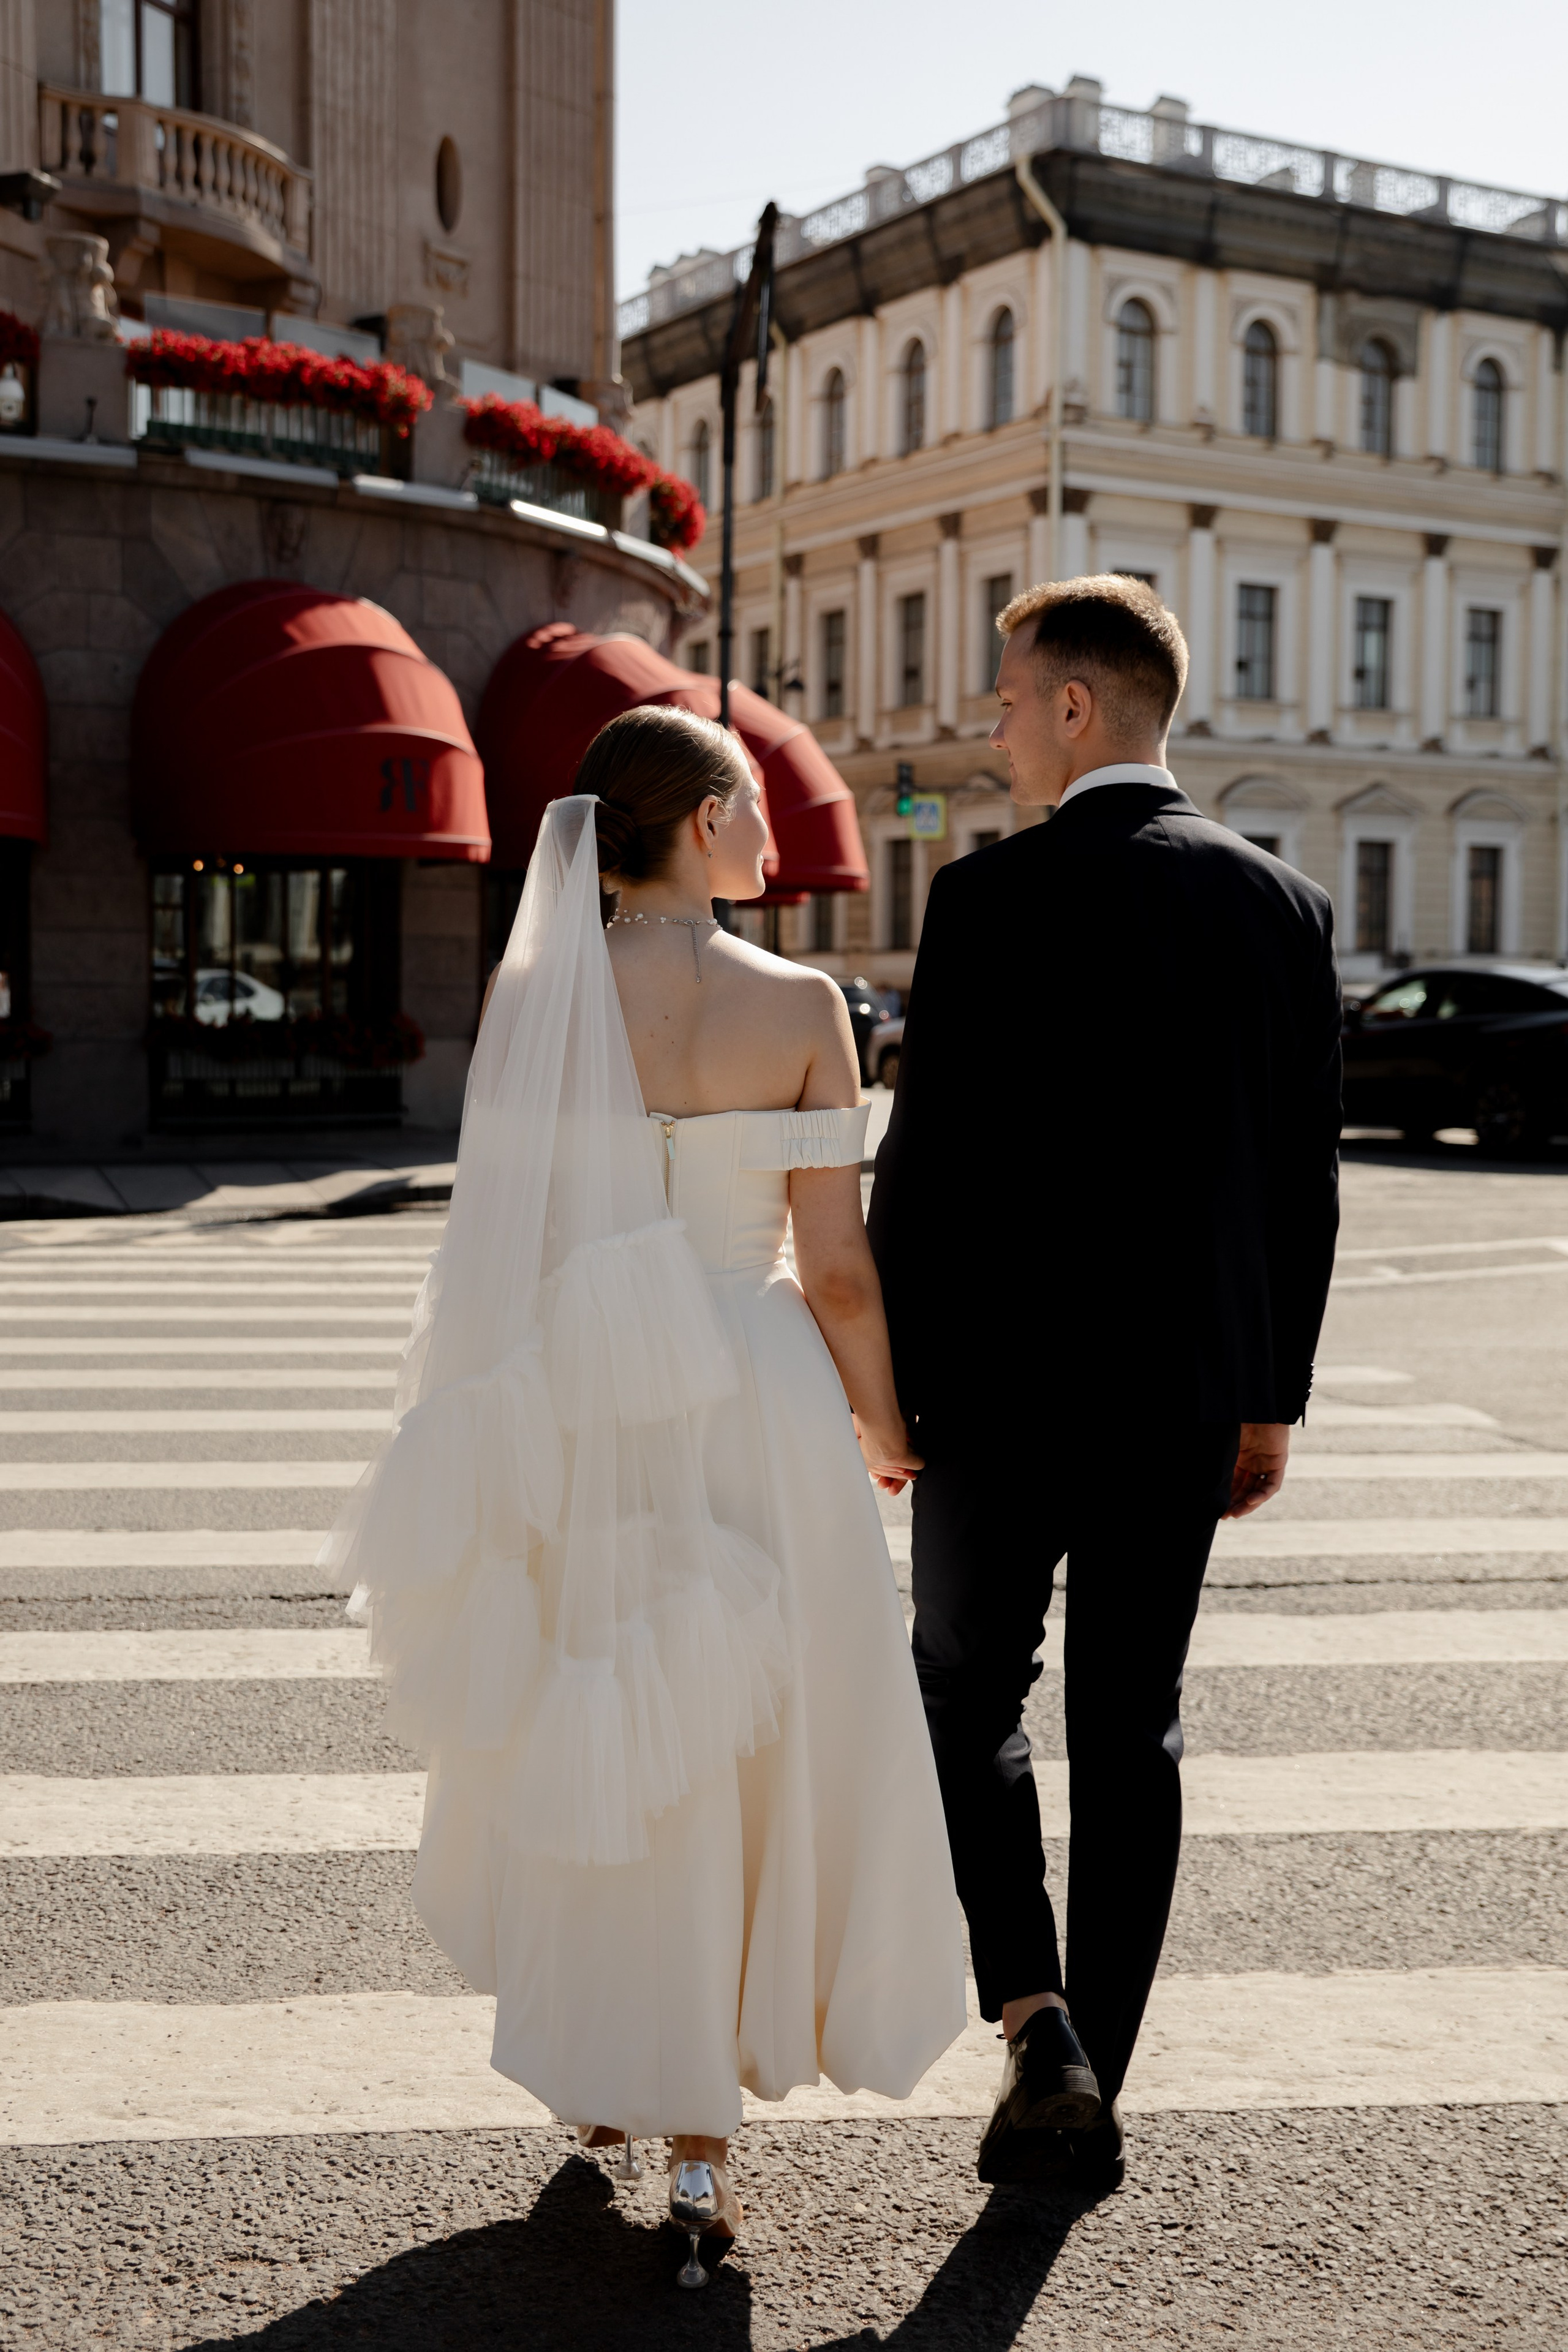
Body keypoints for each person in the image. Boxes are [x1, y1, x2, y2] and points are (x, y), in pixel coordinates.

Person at [324, 704, 964, 2287]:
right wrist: (886, 1428)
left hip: (585, 1394)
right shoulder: (802, 997)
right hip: (752, 1384)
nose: (772, 840)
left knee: (605, 1709)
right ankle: (704, 2141)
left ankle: (615, 2063)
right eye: (752, 810)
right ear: (698, 820)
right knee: (752, 1739)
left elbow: (509, 1247)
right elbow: (834, 1269)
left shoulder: (541, 993)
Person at [867, 575, 1341, 2192]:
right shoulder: (1281, 905)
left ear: (1077, 706)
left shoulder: (986, 900)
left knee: (959, 1694)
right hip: (1187, 1399)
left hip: (993, 1399)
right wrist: (1270, 1393)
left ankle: (1036, 2017)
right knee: (1131, 1728)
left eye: (1006, 699)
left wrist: (888, 1394)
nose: (991, 728)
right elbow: (1300, 1183)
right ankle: (1095, 2079)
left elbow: (919, 1184)